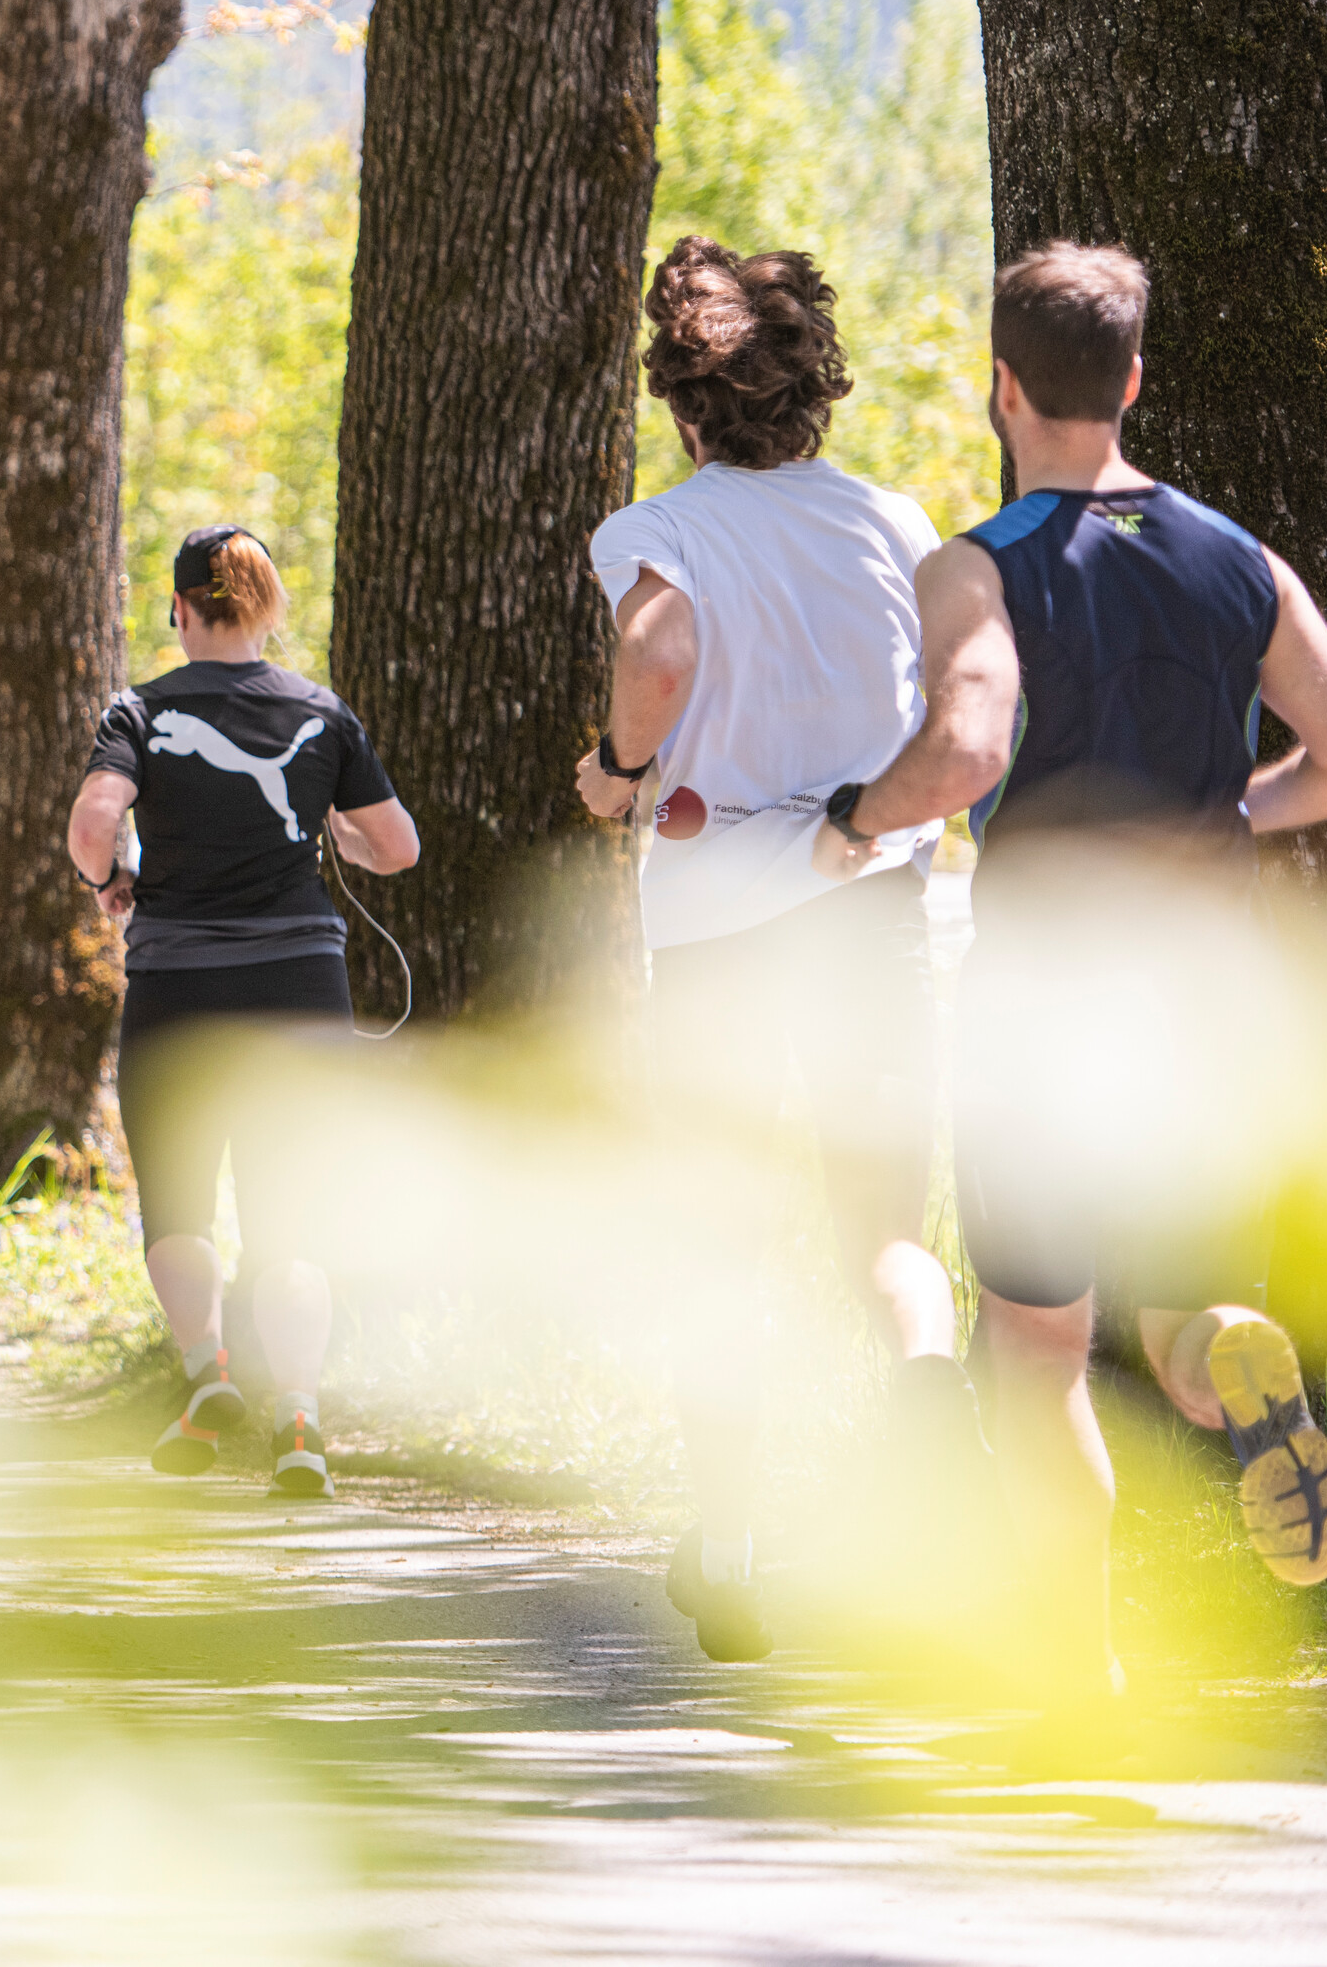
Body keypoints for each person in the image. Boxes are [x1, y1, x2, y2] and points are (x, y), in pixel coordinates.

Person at [813, 242, 1327, 1691]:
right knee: (1181, 1311)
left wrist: (853, 820)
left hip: (1045, 1001)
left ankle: (1080, 1666)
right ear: (1132, 380)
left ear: (1003, 385)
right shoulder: (1237, 559)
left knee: (1039, 1342)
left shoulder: (978, 566)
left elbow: (967, 746)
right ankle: (1231, 1344)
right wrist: (1230, 812)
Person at [570, 238, 965, 1663]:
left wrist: (620, 768)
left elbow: (659, 654)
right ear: (814, 385)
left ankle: (729, 1545)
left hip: (719, 930)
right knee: (885, 1232)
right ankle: (927, 1393)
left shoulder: (659, 530)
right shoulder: (895, 522)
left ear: (684, 407)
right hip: (872, 904)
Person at [65, 527, 418, 1497]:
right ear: (266, 607)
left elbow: (94, 822)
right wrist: (339, 832)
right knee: (292, 1225)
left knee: (177, 1205)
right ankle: (299, 1421)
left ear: (180, 609)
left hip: (179, 984)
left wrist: (109, 877)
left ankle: (208, 1371)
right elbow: (398, 847)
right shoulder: (320, 712)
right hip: (300, 988)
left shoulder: (142, 710)